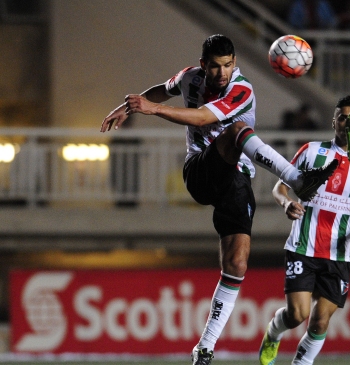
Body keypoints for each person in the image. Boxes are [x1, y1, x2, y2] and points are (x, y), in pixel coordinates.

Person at [100, 34, 338, 365]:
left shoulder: (241, 89)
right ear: (203, 66)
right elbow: (162, 90)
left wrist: (150, 108)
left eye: (227, 65)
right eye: (215, 66)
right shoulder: (189, 78)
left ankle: (205, 347)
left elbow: (202, 117)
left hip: (236, 180)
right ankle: (298, 179)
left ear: (234, 63)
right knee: (237, 131)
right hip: (199, 171)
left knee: (237, 262)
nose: (222, 73)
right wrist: (133, 106)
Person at [258, 95, 350, 365]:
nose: (346, 123)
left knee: (320, 321)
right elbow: (280, 187)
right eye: (341, 117)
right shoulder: (312, 151)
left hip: (338, 254)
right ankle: (273, 332)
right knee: (297, 315)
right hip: (303, 246)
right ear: (333, 121)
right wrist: (287, 203)